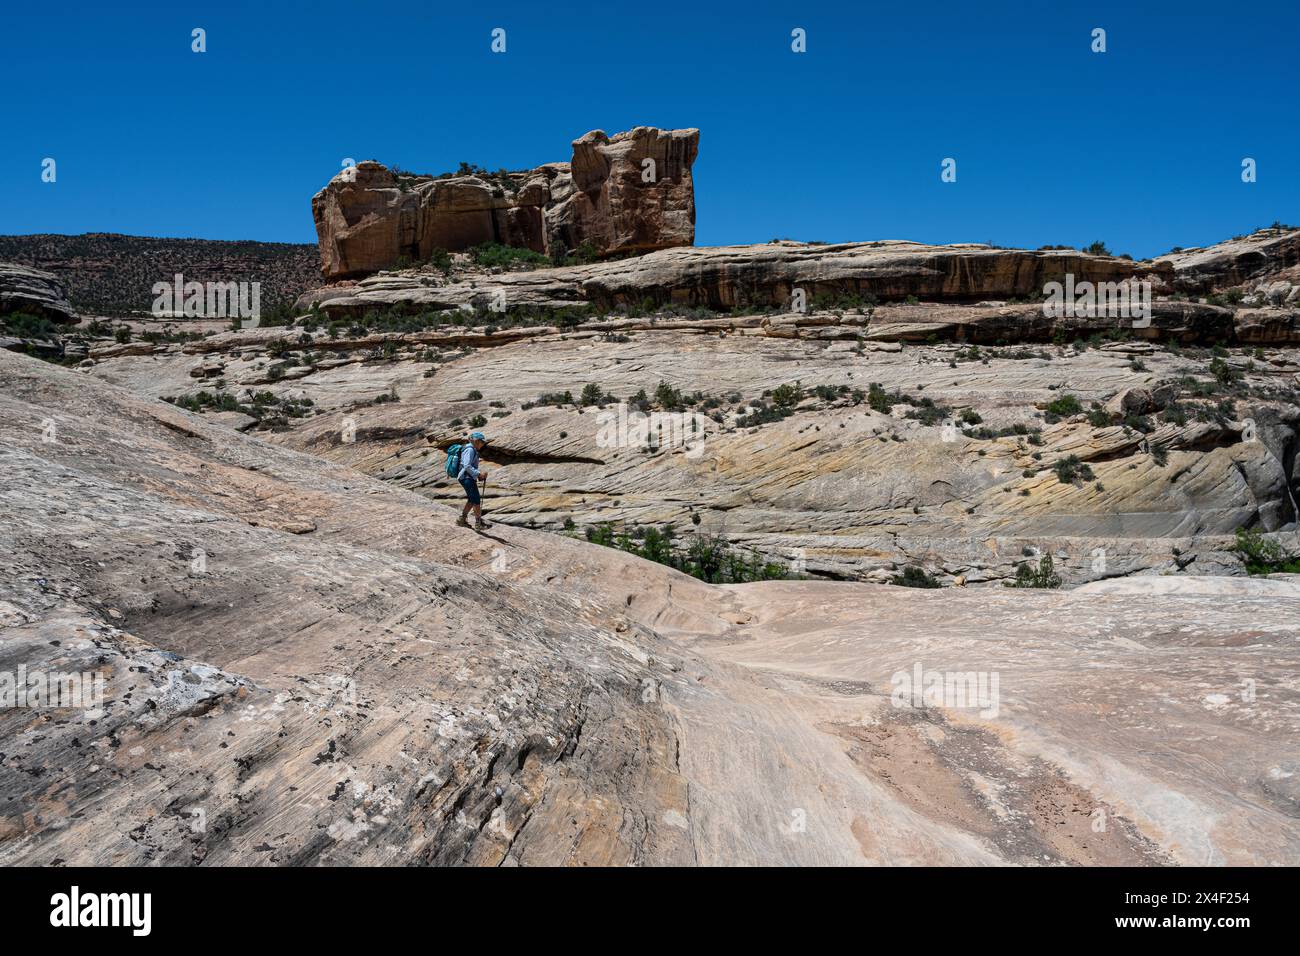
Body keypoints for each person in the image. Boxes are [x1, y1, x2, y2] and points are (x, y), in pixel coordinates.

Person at [455, 432, 490, 530]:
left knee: (471, 499)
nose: (483, 444)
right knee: (476, 500)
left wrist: (477, 475)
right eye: (482, 442)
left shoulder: (471, 449)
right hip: (466, 477)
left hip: (467, 477)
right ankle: (479, 523)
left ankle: (462, 519)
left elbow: (469, 466)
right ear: (477, 441)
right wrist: (479, 474)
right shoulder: (470, 449)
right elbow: (467, 465)